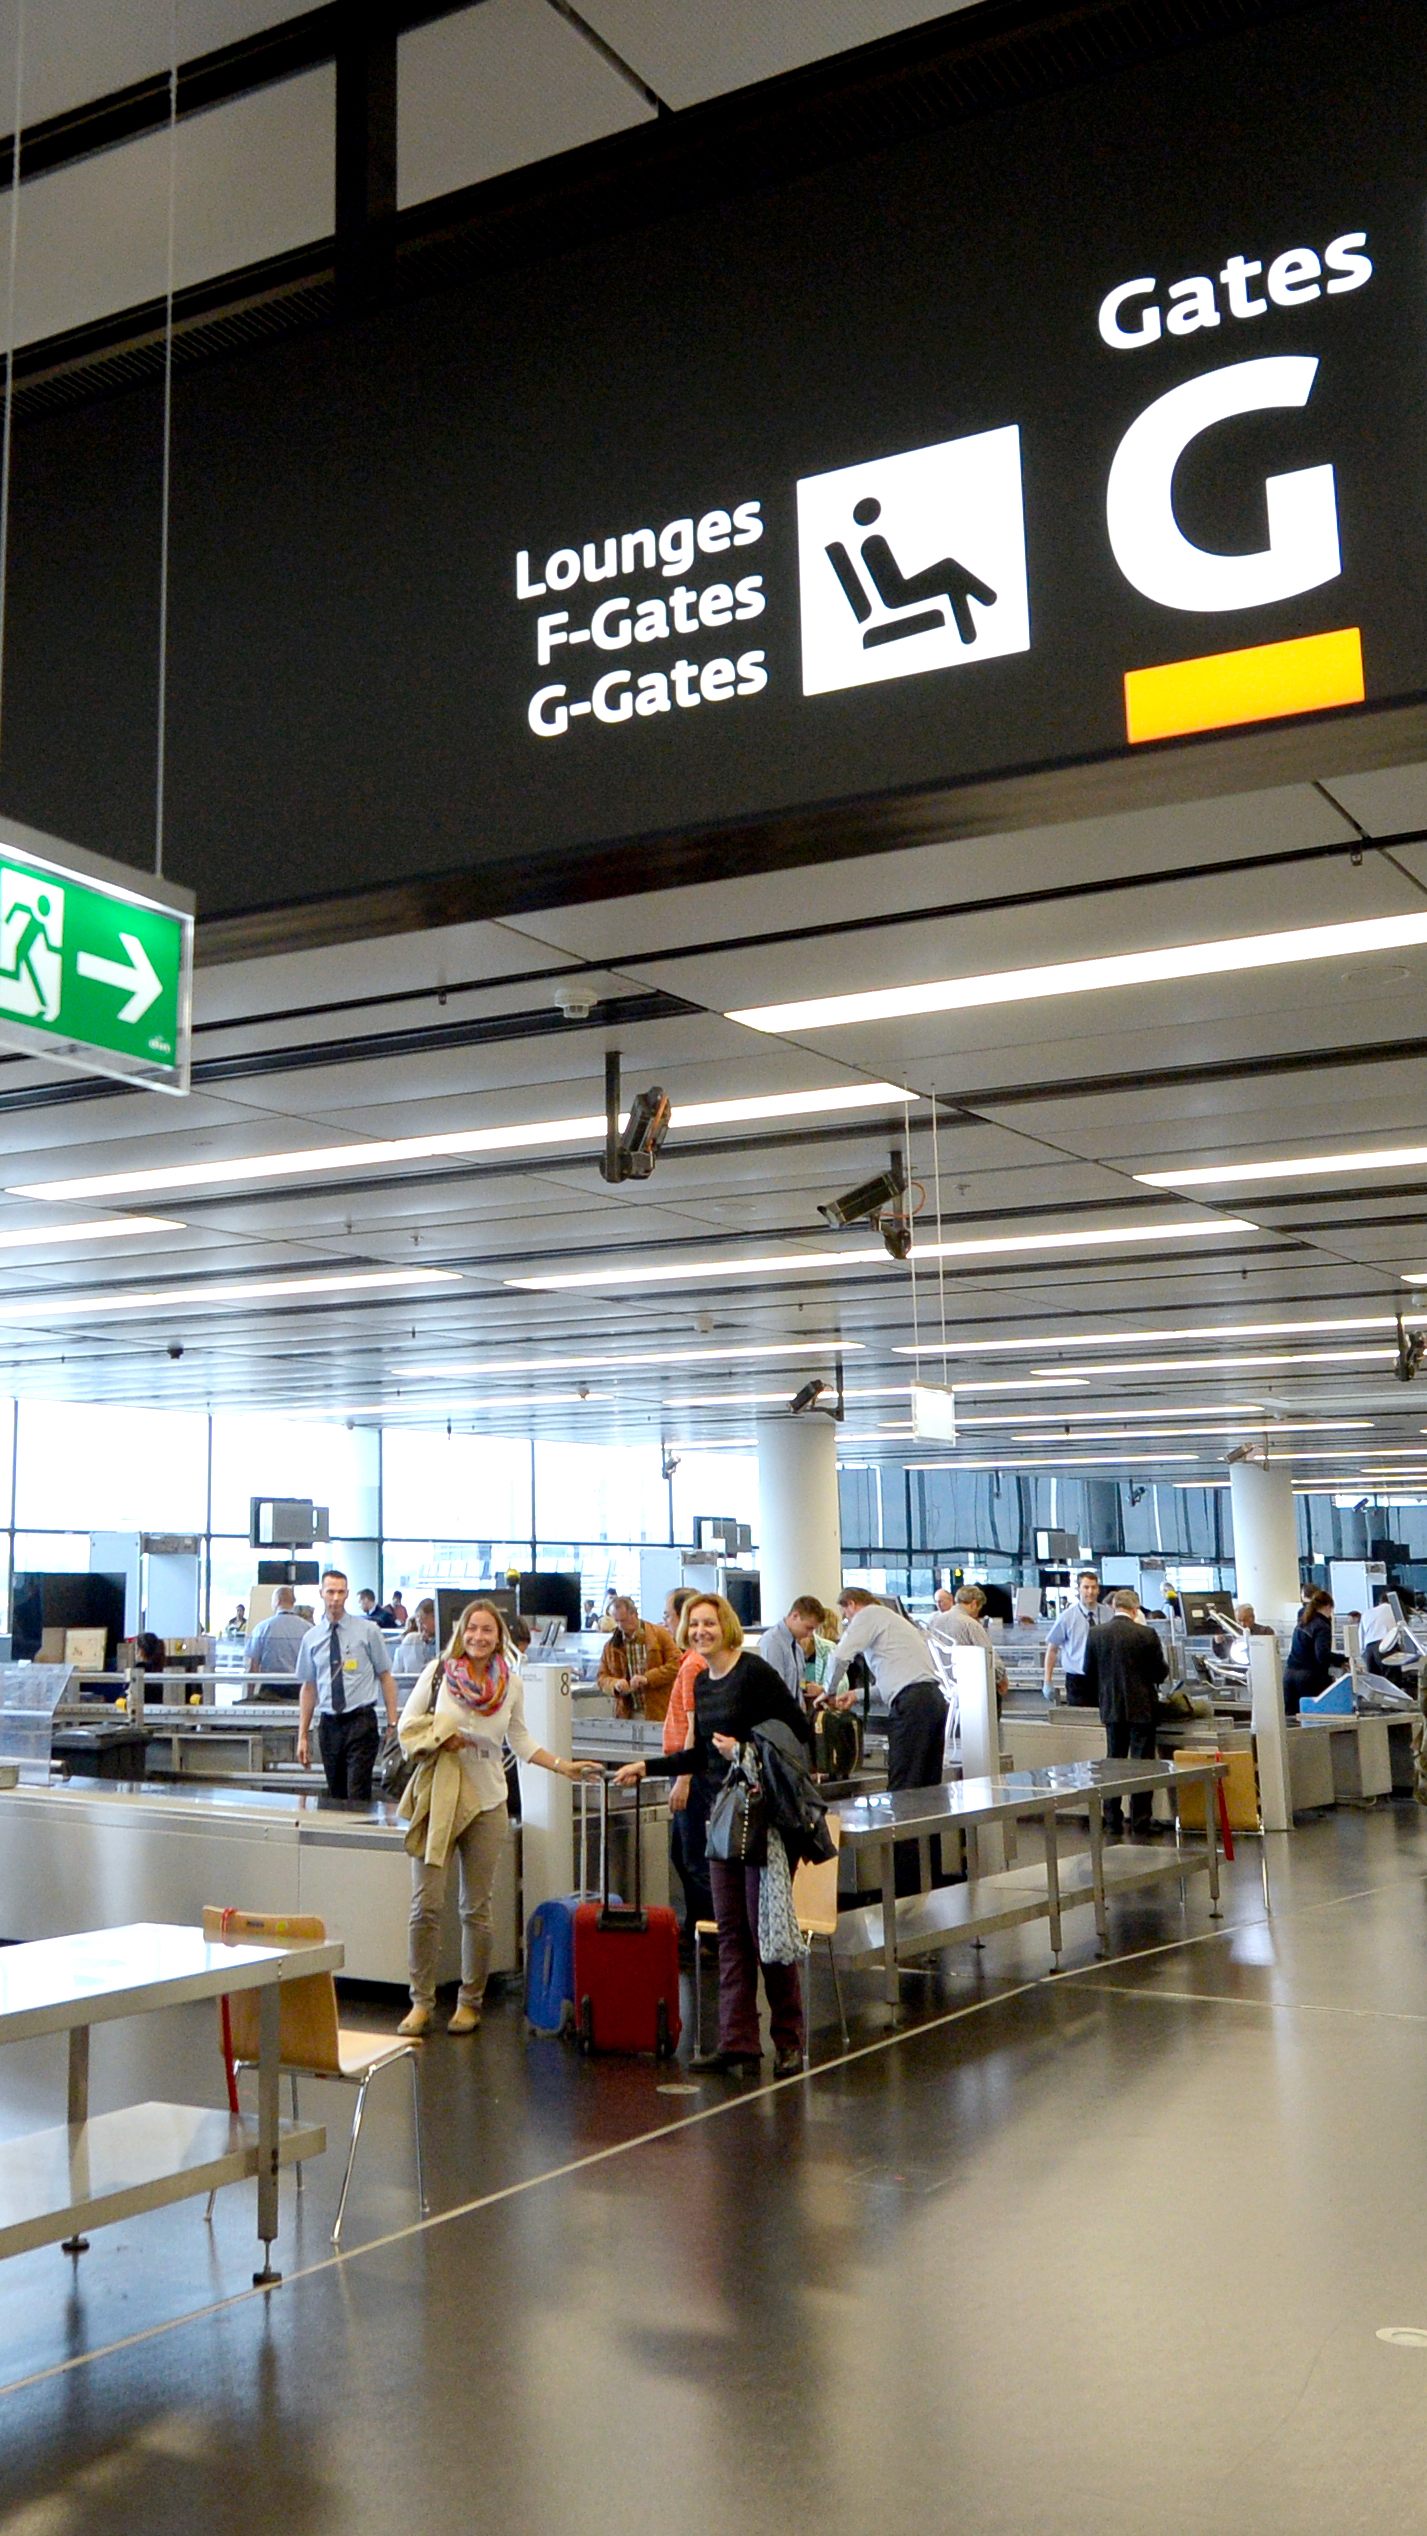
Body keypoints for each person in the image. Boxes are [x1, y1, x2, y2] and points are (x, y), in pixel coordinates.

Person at [616, 1592, 812, 2076]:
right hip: (723, 1814)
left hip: (762, 1818)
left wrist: (743, 1748)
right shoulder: (703, 1683)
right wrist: (649, 1766)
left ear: (725, 1625)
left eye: (709, 1622)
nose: (701, 1630)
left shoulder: (754, 1673)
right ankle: (737, 2041)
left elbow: (798, 1734)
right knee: (731, 1934)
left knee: (766, 1930)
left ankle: (788, 2040)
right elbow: (702, 1755)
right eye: (693, 1623)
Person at [397, 1598, 601, 2037]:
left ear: (499, 1637)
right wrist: (441, 1736)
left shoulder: (509, 1684)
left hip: (488, 1801)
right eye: (472, 1629)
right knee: (426, 1906)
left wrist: (561, 1765)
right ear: (461, 1632)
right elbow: (407, 1725)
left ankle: (470, 2001)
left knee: (478, 1908)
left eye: (487, 1630)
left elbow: (520, 1739)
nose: (478, 1637)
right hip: (440, 1800)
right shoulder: (437, 1674)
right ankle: (420, 2001)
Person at [824, 1587, 946, 1894]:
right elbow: (893, 1680)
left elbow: (840, 1655)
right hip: (932, 1700)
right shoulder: (895, 1623)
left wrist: (826, 1691)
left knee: (903, 1792)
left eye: (845, 1614)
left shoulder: (868, 1615)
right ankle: (928, 1876)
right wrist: (856, 1695)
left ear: (851, 1604)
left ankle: (903, 1884)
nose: (847, 1620)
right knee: (926, 1792)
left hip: (913, 1705)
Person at [295, 1567, 400, 1801]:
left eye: (341, 1592)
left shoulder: (368, 1631)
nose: (335, 1598)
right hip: (329, 1724)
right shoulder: (311, 1639)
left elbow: (385, 1676)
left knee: (357, 1791)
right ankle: (339, 1837)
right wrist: (303, 1734)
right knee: (335, 1793)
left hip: (360, 1720)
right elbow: (309, 1687)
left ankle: (359, 1836)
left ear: (347, 1594)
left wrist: (392, 1724)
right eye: (330, 1592)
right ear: (321, 1593)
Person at [1084, 1587, 1168, 1835]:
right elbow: (1159, 1672)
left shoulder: (1096, 1634)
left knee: (1113, 1764)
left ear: (1113, 1607)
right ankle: (1140, 1820)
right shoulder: (1146, 1634)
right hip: (1142, 1708)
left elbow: (1088, 1671)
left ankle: (1111, 1818)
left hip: (1111, 1707)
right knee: (1142, 1765)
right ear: (1135, 1609)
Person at [598, 1594, 679, 1721]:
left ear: (634, 1614)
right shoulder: (611, 1645)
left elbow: (676, 1664)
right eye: (616, 1621)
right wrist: (615, 1684)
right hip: (628, 1714)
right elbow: (602, 1677)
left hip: (660, 1712)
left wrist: (648, 1678)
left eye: (623, 1620)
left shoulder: (659, 1635)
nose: (620, 1626)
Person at [929, 1584, 1009, 1698]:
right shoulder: (970, 1624)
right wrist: (1001, 1678)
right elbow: (989, 1657)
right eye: (979, 1608)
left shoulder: (934, 1622)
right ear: (974, 1604)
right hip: (970, 1688)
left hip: (944, 1687)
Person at [759, 1596, 837, 1704]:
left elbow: (797, 1683)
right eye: (808, 1628)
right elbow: (774, 1688)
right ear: (795, 1616)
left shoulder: (797, 1647)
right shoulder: (772, 1642)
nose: (810, 1634)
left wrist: (807, 1686)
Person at [1043, 1571, 1102, 1705]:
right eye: (1086, 1587)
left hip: (1103, 1677)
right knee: (1080, 1722)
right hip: (1077, 1680)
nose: (1090, 1592)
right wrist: (1047, 1680)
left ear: (1098, 1589)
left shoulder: (1108, 1614)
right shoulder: (1067, 1617)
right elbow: (1052, 1649)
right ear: (1078, 1589)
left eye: (1094, 1587)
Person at [1283, 1588, 1335, 1716]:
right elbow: (1322, 1655)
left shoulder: (1302, 1622)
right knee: (1313, 1719)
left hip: (1289, 1675)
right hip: (1309, 1678)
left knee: (1291, 1721)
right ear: (1328, 1606)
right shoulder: (1322, 1626)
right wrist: (1343, 1659)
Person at [244, 1585, 308, 1684]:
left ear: (277, 1601)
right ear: (293, 1602)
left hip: (270, 1689)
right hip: (299, 1688)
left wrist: (249, 1697)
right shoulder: (308, 1628)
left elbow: (253, 1667)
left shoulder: (262, 1628)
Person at [395, 1597, 438, 1674]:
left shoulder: (446, 1642)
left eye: (423, 1620)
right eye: (419, 1622)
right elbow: (398, 1673)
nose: (421, 1627)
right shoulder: (412, 1640)